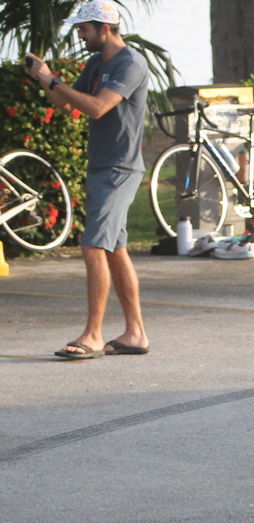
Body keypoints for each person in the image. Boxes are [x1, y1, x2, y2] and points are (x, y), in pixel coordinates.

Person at [24, 0, 151, 360]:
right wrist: (44, 77)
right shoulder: (98, 63)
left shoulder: (130, 63)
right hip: (102, 166)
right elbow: (67, 104)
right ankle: (136, 333)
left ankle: (93, 335)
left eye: (84, 29)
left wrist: (53, 79)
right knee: (114, 249)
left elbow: (98, 107)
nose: (80, 35)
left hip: (119, 169)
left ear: (104, 28)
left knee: (93, 245)